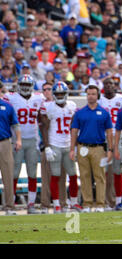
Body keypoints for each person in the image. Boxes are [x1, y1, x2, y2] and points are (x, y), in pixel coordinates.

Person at [39, 82, 82, 213]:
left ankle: (74, 202)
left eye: (61, 94)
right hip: (55, 144)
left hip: (68, 145)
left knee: (73, 175)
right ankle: (57, 204)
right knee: (55, 175)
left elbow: (75, 127)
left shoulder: (72, 105)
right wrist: (47, 147)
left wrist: (74, 146)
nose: (59, 96)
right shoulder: (47, 106)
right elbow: (44, 128)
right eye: (57, 94)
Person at [4, 75, 44, 214]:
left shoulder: (38, 98)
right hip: (16, 141)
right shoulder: (11, 97)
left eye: (28, 85)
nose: (26, 88)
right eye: (23, 85)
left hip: (32, 140)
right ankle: (12, 203)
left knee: (32, 173)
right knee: (13, 173)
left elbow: (42, 117)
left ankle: (31, 204)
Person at [70, 84, 114, 213]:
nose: (91, 96)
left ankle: (100, 204)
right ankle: (87, 204)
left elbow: (109, 132)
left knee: (99, 176)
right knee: (84, 176)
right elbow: (74, 131)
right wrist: (72, 149)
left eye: (93, 94)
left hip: (99, 148)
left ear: (97, 95)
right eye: (88, 94)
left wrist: (110, 149)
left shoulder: (104, 112)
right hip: (83, 146)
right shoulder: (80, 113)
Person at [98, 77, 122, 211]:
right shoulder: (99, 100)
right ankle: (105, 201)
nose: (109, 86)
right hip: (103, 138)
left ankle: (118, 201)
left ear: (115, 85)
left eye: (111, 83)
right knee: (103, 171)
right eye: (106, 84)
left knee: (117, 170)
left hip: (118, 138)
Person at [38, 82, 68, 214]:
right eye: (44, 89)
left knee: (62, 175)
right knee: (47, 176)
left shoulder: (67, 105)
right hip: (48, 145)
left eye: (49, 89)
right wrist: (46, 146)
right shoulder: (43, 106)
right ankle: (45, 204)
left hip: (63, 145)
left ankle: (63, 203)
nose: (47, 91)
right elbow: (42, 128)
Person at [0, 80, 21, 215]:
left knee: (8, 174)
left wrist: (18, 139)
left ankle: (9, 205)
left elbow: (15, 124)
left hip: (4, 142)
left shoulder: (7, 106)